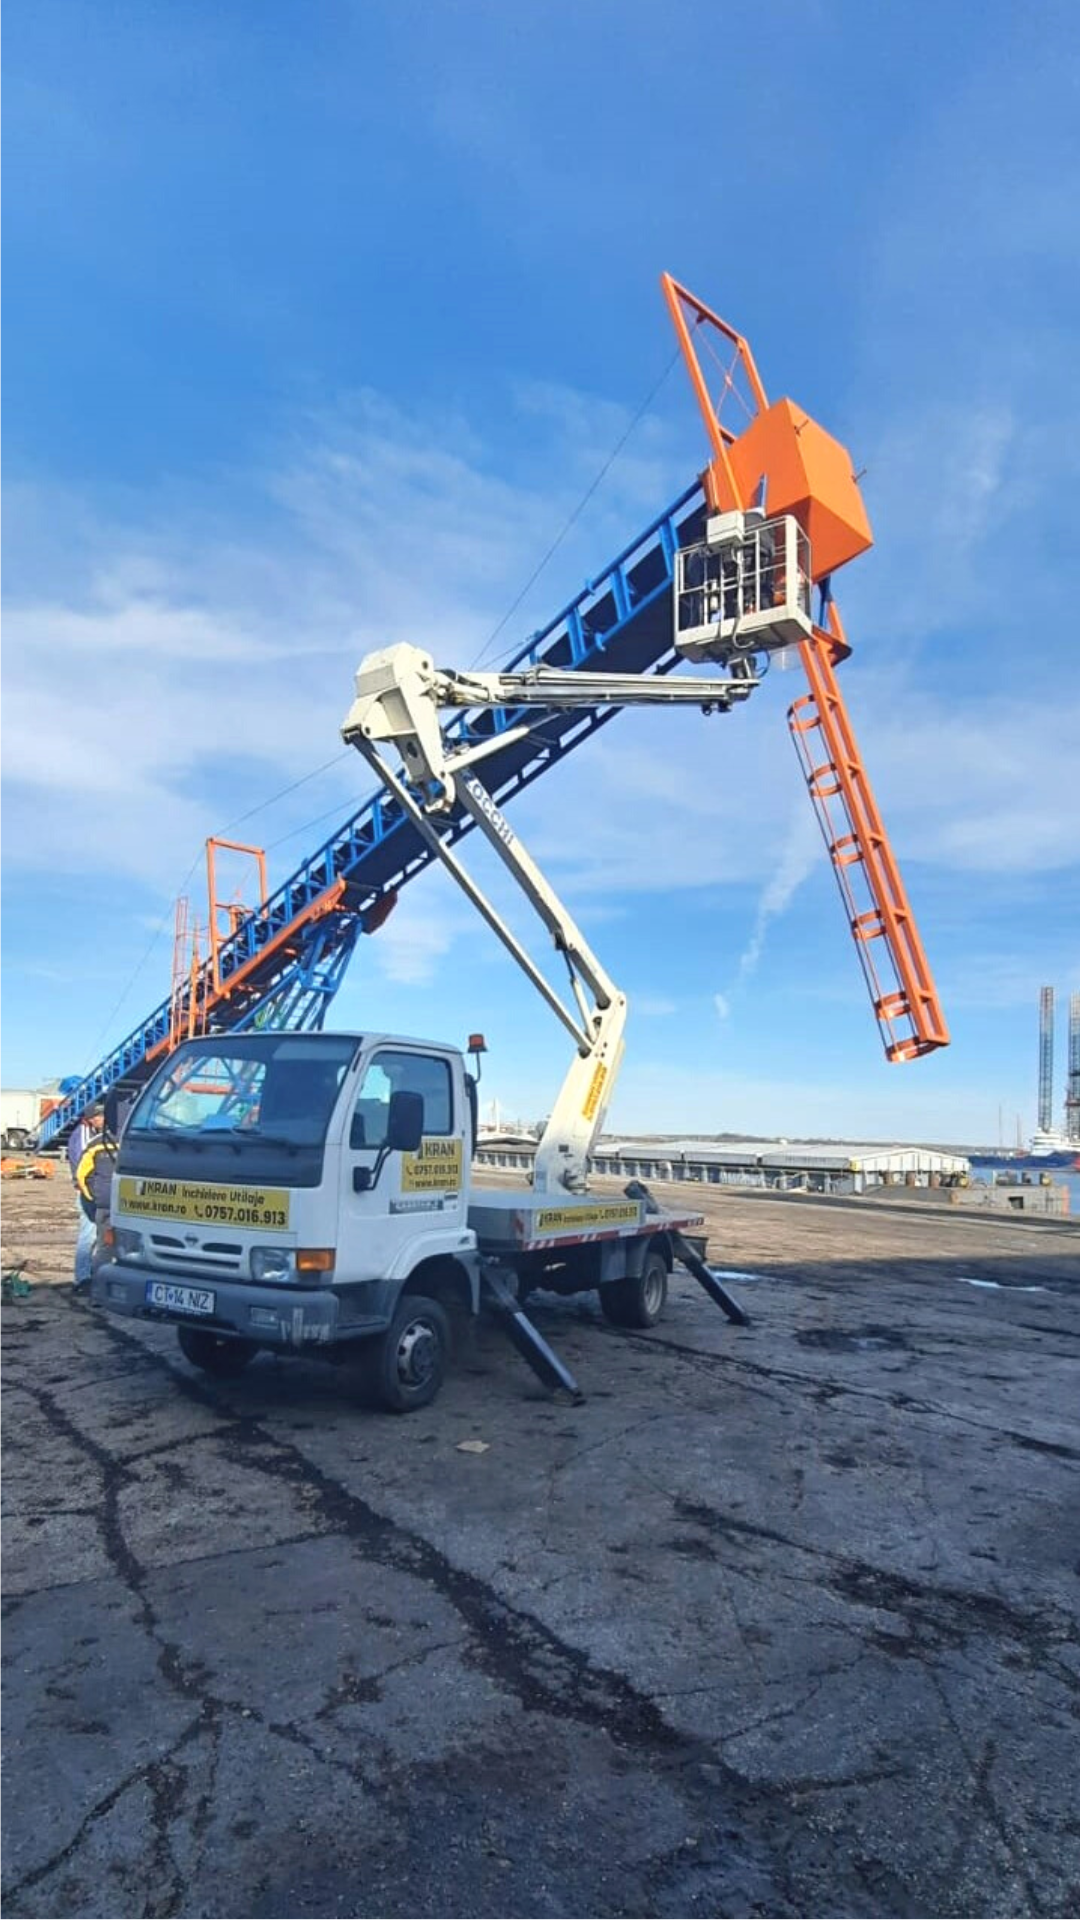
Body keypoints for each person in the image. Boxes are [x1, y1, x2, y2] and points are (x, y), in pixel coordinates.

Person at [68, 1105, 104, 1290]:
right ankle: (82, 1278)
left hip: (97, 1191)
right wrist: (92, 1193)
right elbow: (83, 1168)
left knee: (100, 1237)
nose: (102, 1119)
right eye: (99, 1116)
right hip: (88, 1193)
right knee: (88, 1236)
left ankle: (93, 1273)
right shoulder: (83, 1136)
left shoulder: (97, 1134)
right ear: (90, 1119)